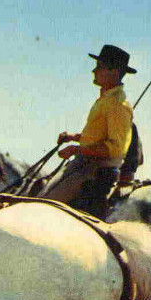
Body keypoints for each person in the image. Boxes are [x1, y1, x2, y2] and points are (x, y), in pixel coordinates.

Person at [41, 45, 136, 218]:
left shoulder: (118, 105)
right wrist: (74, 138)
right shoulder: (106, 99)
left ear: (114, 71)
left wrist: (77, 149)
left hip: (94, 171)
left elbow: (115, 148)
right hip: (84, 164)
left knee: (44, 205)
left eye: (99, 66)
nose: (94, 70)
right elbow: (97, 137)